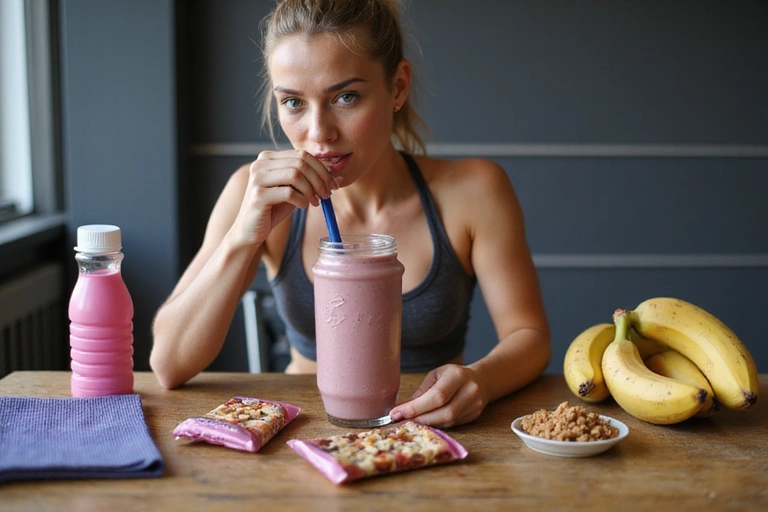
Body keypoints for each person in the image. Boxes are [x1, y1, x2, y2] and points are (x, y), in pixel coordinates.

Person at [150, 0, 551, 428]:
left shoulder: (472, 192)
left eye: (346, 97)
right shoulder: (251, 194)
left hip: (430, 433)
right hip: (306, 437)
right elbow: (168, 364)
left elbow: (529, 336)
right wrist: (241, 239)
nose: (319, 133)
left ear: (397, 87)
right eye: (293, 103)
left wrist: (481, 381)